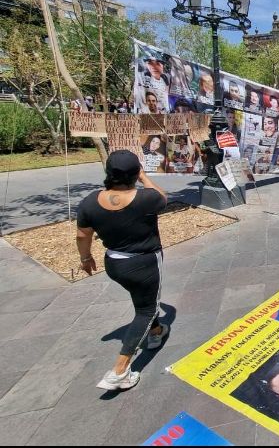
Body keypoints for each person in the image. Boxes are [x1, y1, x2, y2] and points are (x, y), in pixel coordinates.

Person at [75, 150, 170, 391]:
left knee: (143, 300)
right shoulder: (146, 198)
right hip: (145, 262)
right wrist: (144, 177)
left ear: (108, 173)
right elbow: (163, 197)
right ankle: (120, 371)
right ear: (135, 173)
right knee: (147, 310)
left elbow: (82, 236)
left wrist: (85, 258)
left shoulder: (89, 202)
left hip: (114, 263)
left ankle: (156, 331)